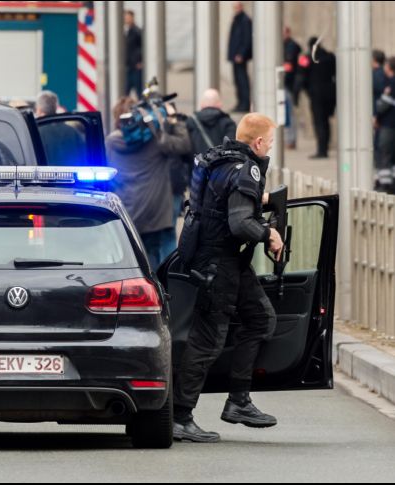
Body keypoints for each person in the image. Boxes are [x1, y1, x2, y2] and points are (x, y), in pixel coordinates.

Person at [174, 113, 284, 443]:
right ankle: (180, 416)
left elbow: (223, 202)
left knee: (260, 319)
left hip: (224, 260)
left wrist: (261, 202)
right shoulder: (246, 168)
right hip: (218, 264)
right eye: (270, 142)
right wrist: (269, 234)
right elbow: (239, 223)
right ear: (259, 142)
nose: (270, 148)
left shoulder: (222, 160)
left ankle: (239, 401)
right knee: (207, 340)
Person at [106, 96, 190, 269]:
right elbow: (183, 144)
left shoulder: (111, 142)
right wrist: (174, 119)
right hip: (154, 212)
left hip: (127, 209)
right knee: (153, 256)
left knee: (130, 257)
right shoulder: (156, 140)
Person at [297, 37, 336, 159]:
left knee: (319, 122)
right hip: (330, 93)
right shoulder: (330, 57)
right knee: (326, 121)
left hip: (316, 95)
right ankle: (325, 147)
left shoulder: (307, 58)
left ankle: (321, 150)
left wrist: (298, 94)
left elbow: (301, 77)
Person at [35, 91, 85, 166]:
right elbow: (83, 158)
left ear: (39, 109)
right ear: (56, 107)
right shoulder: (73, 132)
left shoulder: (35, 133)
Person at [186, 89, 237, 157]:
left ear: (201, 104)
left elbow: (185, 149)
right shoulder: (228, 123)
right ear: (219, 104)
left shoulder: (190, 122)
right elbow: (231, 147)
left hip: (197, 163)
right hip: (220, 163)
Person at [228, 2, 253, 112]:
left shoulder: (245, 20)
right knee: (237, 80)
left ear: (241, 6)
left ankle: (245, 104)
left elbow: (247, 39)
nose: (235, 9)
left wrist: (241, 54)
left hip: (240, 57)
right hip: (235, 56)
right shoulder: (237, 19)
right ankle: (240, 103)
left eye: (237, 6)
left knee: (242, 81)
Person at [283, 27, 302, 150]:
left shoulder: (292, 46)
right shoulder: (284, 45)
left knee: (289, 114)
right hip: (286, 84)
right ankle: (289, 139)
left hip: (289, 85)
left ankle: (291, 140)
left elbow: (289, 66)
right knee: (286, 114)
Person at [124, 10, 143, 97]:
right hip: (129, 66)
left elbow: (143, 47)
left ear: (132, 18)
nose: (126, 19)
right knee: (126, 91)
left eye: (128, 18)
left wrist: (141, 61)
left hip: (136, 66)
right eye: (125, 18)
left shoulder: (137, 31)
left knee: (139, 91)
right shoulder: (127, 31)